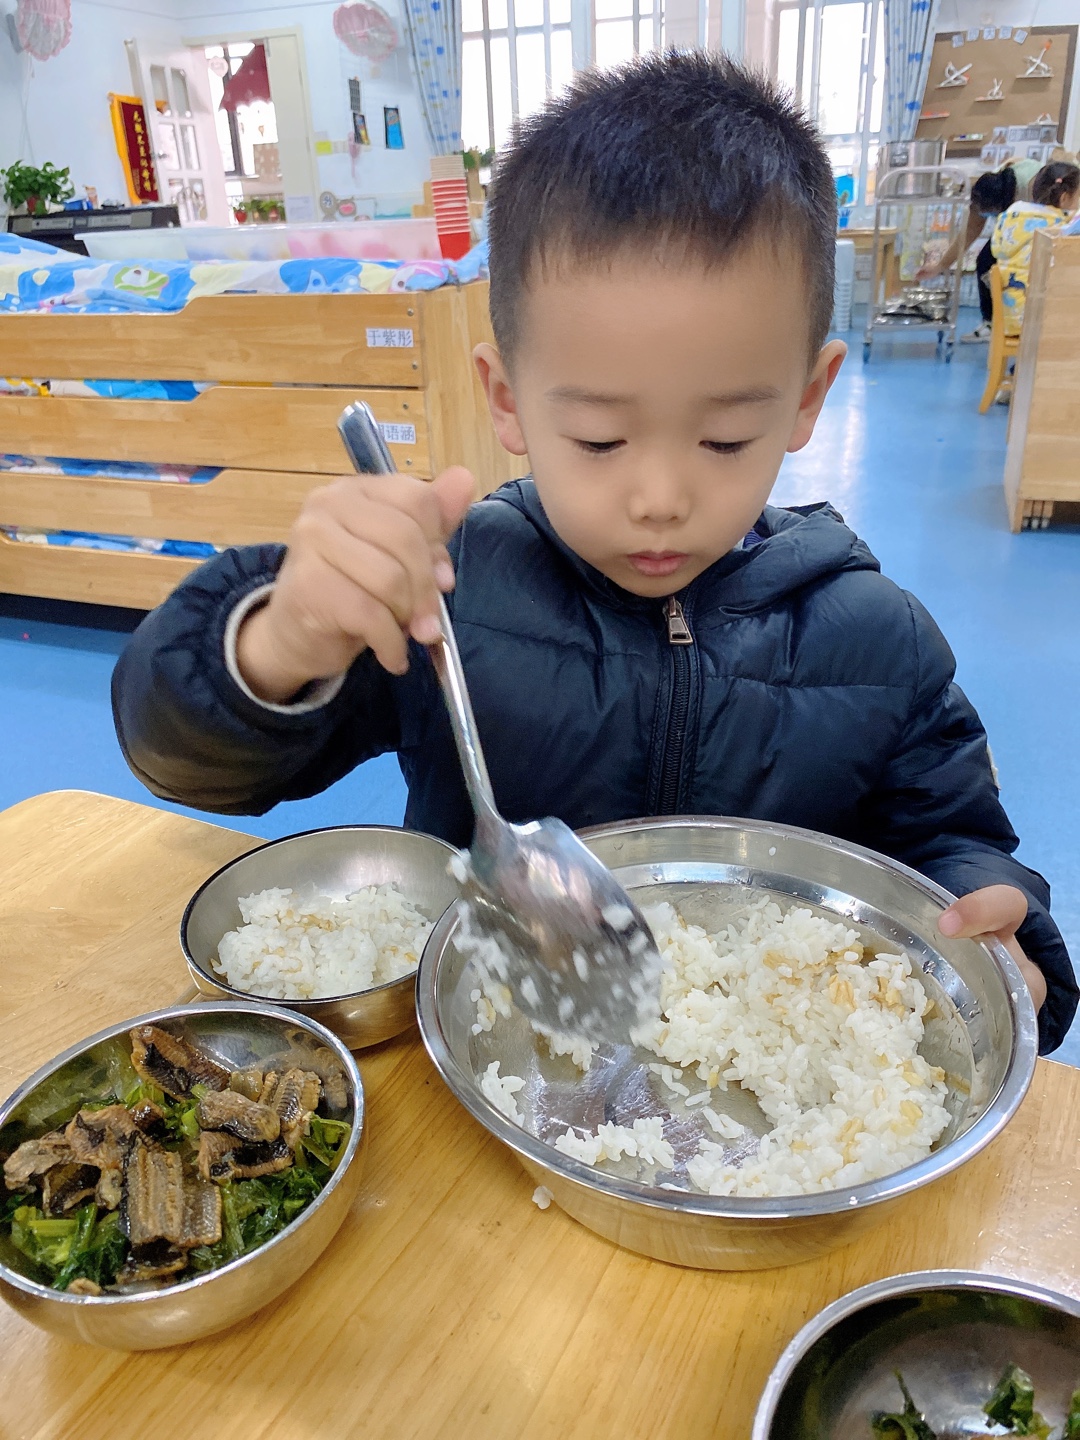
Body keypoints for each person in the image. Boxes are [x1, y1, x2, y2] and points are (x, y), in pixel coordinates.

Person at [111, 53, 1076, 1053]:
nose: (659, 499)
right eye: (601, 440)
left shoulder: (879, 641)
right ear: (508, 399)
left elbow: (954, 840)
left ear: (806, 398)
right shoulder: (448, 598)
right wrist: (283, 639)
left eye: (724, 439)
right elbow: (186, 760)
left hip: (758, 1085)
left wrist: (997, 939)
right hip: (490, 1059)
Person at [915, 161, 1036, 342]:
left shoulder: (1031, 185)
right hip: (1011, 228)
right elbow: (969, 232)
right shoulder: (984, 193)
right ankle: (990, 322)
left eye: (992, 213)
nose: (987, 217)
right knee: (986, 260)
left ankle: (1026, 323)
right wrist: (940, 266)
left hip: (1042, 224)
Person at [991, 161, 1080, 334]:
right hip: (1040, 320)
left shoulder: (1010, 218)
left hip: (1010, 317)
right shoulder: (1061, 226)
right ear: (1064, 198)